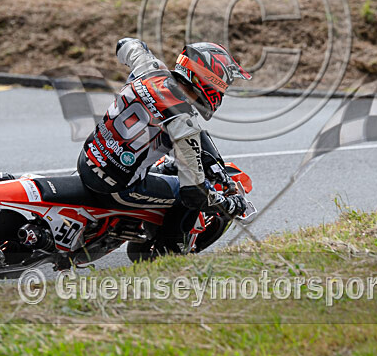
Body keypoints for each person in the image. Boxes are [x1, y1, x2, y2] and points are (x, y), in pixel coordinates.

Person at [77, 38, 251, 247]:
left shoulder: (149, 68)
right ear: (209, 80)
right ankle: (170, 250)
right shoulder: (183, 123)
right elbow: (194, 193)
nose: (222, 91)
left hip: (88, 159)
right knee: (189, 193)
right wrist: (229, 204)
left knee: (163, 167)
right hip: (117, 187)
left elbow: (127, 43)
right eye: (223, 83)